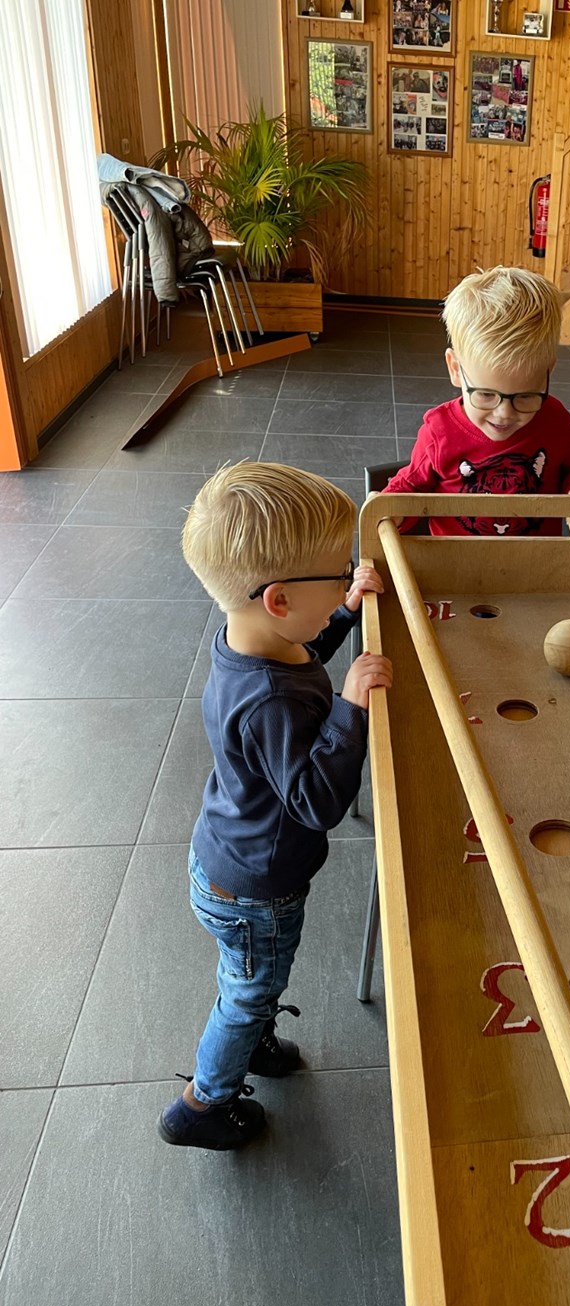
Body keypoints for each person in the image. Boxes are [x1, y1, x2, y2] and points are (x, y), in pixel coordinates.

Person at [157, 462, 392, 1150]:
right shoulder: (270, 701)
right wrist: (350, 709)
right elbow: (316, 799)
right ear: (281, 598)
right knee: (247, 991)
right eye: (337, 568)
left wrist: (344, 606)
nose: (346, 571)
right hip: (256, 890)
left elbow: (304, 649)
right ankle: (203, 1103)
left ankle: (254, 1039)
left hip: (228, 861)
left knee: (250, 976)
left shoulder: (252, 639)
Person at [383, 266, 570, 536]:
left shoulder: (556, 421)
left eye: (525, 396)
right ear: (455, 369)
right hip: (456, 565)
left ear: (548, 372)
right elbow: (411, 486)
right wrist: (392, 511)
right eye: (486, 395)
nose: (504, 414)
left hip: (535, 565)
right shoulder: (440, 432)